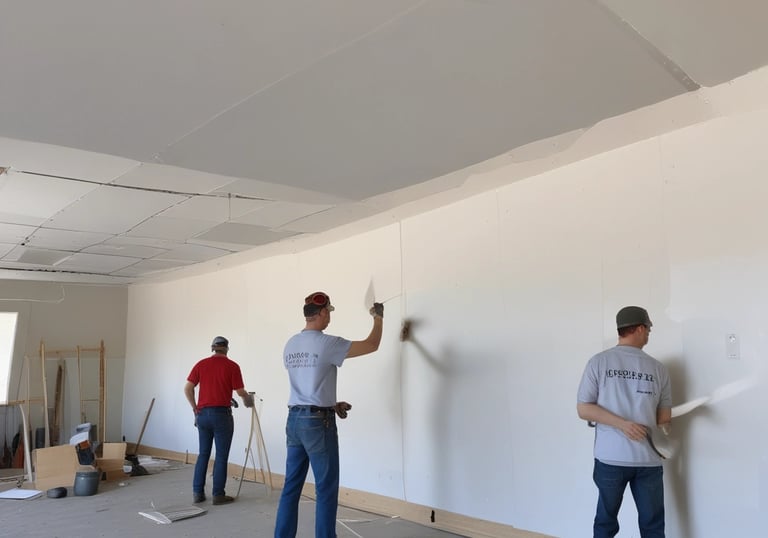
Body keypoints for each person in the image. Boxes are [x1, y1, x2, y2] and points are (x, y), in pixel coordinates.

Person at [274, 291, 384, 538]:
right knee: (325, 488)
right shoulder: (327, 343)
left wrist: (331, 404)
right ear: (322, 313)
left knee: (291, 487)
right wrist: (378, 318)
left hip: (294, 421)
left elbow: (307, 383)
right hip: (317, 424)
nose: (329, 318)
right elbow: (372, 345)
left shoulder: (290, 344)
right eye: (328, 313)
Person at [577, 306, 672, 538]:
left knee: (605, 523)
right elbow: (663, 418)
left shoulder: (598, 362)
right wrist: (633, 420)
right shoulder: (658, 369)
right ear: (640, 328)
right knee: (652, 526)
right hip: (647, 461)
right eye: (648, 328)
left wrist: (620, 424)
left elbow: (584, 409)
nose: (649, 333)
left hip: (610, 458)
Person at [184, 336, 254, 505]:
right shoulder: (232, 366)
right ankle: (218, 495)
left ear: (212, 348)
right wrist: (247, 400)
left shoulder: (201, 364)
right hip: (221, 416)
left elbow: (187, 388)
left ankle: (198, 493)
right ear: (227, 349)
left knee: (203, 455)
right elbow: (240, 391)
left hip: (202, 415)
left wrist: (195, 408)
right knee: (221, 456)